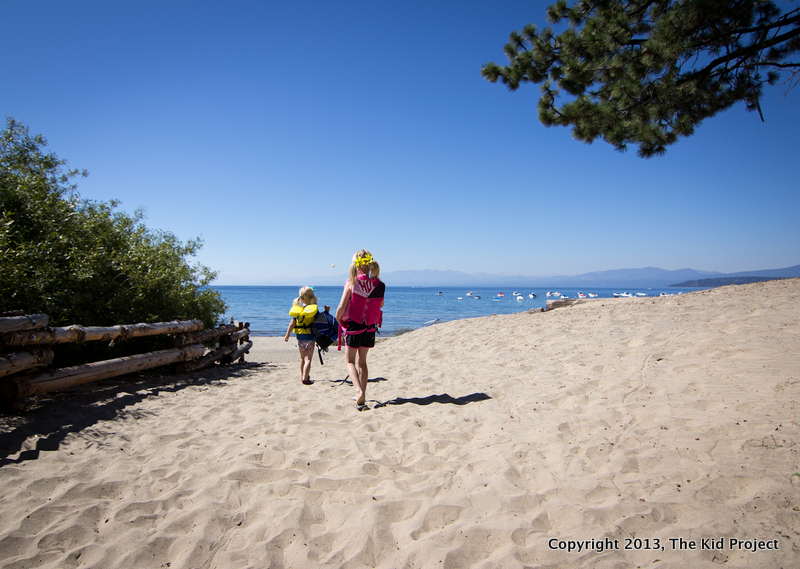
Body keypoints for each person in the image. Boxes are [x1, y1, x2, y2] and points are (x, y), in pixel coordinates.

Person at [336, 250, 385, 410]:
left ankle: (358, 391)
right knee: (362, 362)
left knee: (349, 361)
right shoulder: (378, 284)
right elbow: (381, 304)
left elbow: (342, 306)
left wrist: (338, 319)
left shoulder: (352, 282)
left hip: (354, 327)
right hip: (370, 327)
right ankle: (362, 395)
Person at [285, 286, 319, 385]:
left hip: (300, 338)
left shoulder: (297, 311)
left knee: (302, 358)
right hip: (310, 338)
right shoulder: (313, 310)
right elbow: (321, 321)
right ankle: (305, 378)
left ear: (300, 298)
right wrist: (327, 311)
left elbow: (292, 323)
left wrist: (287, 335)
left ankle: (303, 375)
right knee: (308, 359)